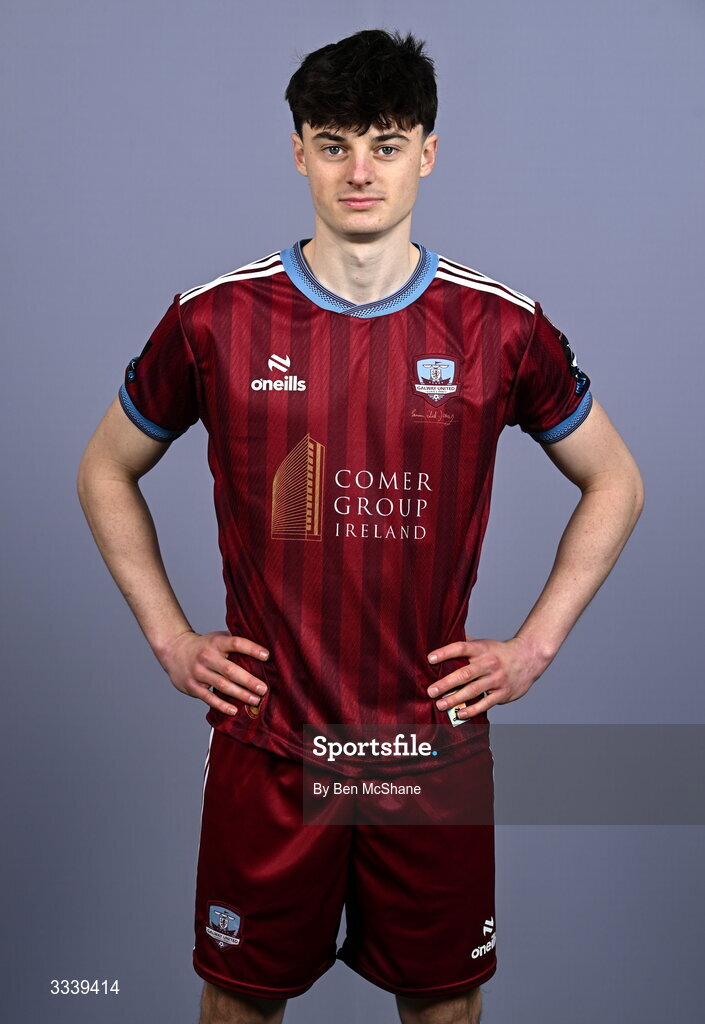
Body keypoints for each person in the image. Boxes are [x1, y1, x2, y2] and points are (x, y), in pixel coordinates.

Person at [76, 28, 644, 1024]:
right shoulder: (215, 320)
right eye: (334, 142)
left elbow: (616, 482)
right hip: (273, 745)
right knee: (239, 1004)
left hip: (428, 749)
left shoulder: (499, 327)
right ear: (297, 151)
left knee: (444, 1007)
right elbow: (105, 468)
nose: (360, 169)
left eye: (386, 141)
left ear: (429, 150)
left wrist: (535, 645)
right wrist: (169, 635)